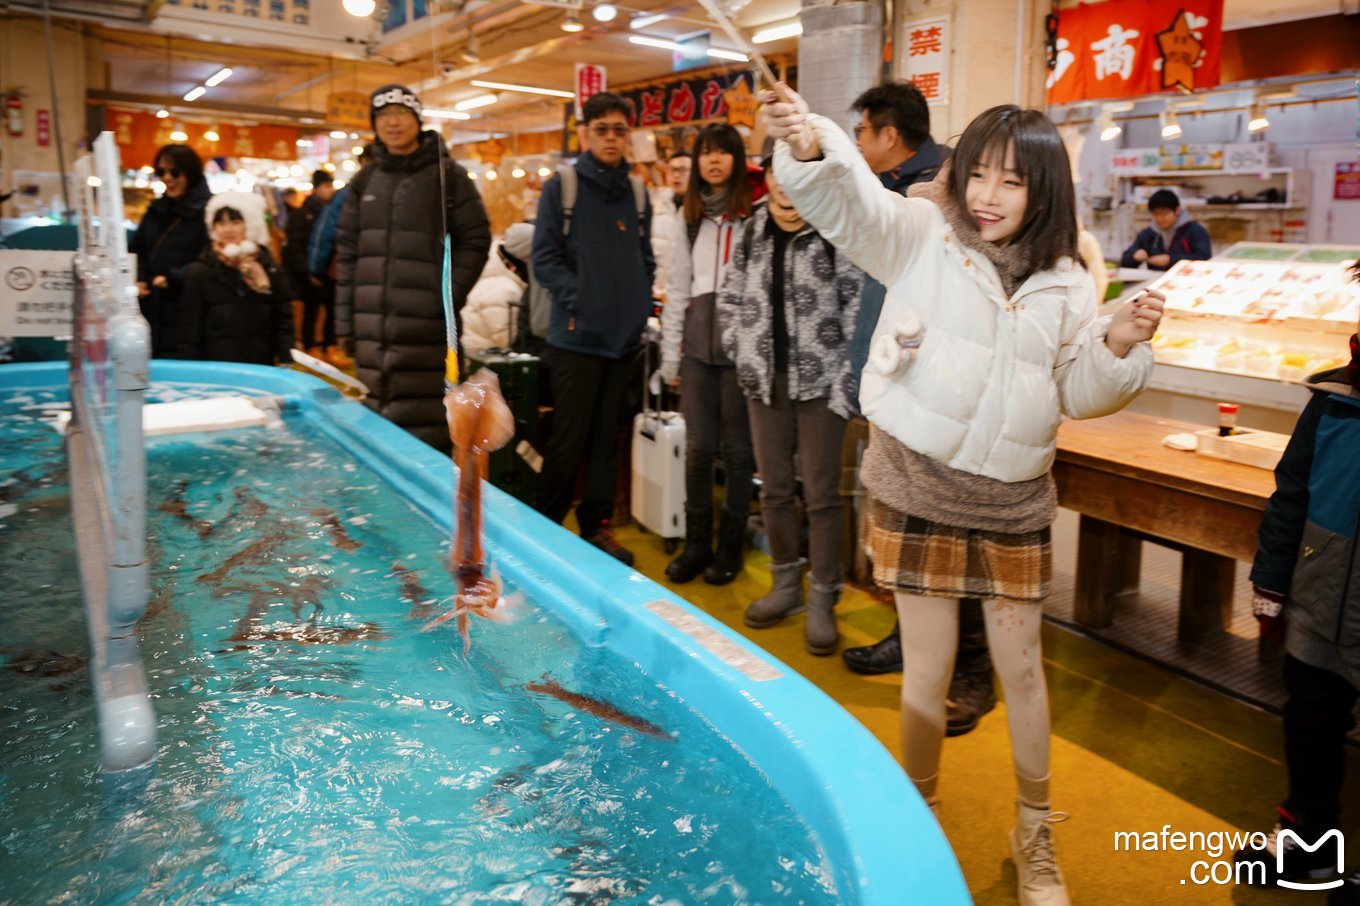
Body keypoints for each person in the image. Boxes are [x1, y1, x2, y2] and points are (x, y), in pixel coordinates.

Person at [763, 86, 1162, 905]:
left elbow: (1079, 392)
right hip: (917, 482)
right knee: (927, 675)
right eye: (977, 173)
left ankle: (1036, 833)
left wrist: (1118, 345)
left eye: (1011, 181)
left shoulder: (1069, 279)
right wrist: (811, 146)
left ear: (1044, 190)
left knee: (1023, 675)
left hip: (1013, 499)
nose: (986, 195)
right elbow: (845, 202)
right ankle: (920, 820)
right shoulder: (919, 236)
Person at [837, 82, 997, 736]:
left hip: (938, 393)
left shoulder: (948, 194)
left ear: (889, 133)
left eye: (863, 132)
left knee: (953, 533)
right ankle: (912, 638)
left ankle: (972, 671)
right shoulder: (896, 192)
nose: (858, 143)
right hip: (890, 385)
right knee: (900, 527)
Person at [1232, 262, 1360, 902]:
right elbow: (1291, 495)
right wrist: (1271, 581)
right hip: (1319, 597)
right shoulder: (1334, 399)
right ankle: (1309, 841)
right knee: (1310, 720)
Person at [719, 161, 864, 654]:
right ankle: (786, 584)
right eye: (778, 174)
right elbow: (731, 293)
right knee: (776, 489)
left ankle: (823, 595)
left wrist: (849, 381)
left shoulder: (834, 225)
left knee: (822, 495)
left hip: (822, 382)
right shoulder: (753, 224)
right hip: (765, 379)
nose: (784, 186)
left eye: (795, 174)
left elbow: (856, 306)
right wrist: (739, 346)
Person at [531, 92, 655, 565]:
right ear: (585, 134)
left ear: (628, 135)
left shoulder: (636, 193)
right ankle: (547, 525)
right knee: (569, 439)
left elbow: (643, 257)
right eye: (601, 129)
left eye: (619, 130)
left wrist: (638, 303)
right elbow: (544, 258)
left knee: (607, 440)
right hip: (576, 341)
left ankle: (596, 527)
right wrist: (582, 301)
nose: (610, 138)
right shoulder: (562, 188)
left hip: (622, 343)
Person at [335, 84, 491, 452]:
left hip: (428, 329)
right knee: (375, 428)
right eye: (384, 115)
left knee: (430, 432)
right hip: (372, 332)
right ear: (374, 124)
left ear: (418, 121)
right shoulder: (364, 180)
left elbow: (476, 240)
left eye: (402, 114)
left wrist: (445, 297)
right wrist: (344, 323)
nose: (393, 123)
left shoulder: (448, 175)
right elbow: (346, 253)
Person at [657, 124, 759, 586]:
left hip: (742, 354)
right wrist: (670, 359)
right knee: (697, 451)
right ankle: (697, 544)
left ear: (738, 160)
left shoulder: (755, 215)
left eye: (723, 152)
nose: (714, 160)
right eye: (707, 153)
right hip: (698, 350)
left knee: (738, 454)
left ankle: (729, 549)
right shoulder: (690, 216)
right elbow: (678, 289)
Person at [177, 194, 291, 365]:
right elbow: (189, 327)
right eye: (221, 223)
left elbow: (283, 319)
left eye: (235, 222)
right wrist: (189, 366)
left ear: (249, 225)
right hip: (216, 365)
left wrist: (286, 358)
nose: (228, 229)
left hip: (259, 361)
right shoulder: (201, 272)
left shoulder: (269, 269)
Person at [130, 143, 212, 358]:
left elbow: (210, 259)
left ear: (190, 172)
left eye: (174, 172)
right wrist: (139, 277)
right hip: (150, 305)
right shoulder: (155, 209)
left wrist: (173, 278)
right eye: (161, 172)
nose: (167, 178)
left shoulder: (209, 210)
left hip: (189, 307)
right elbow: (137, 249)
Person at [285, 169, 342, 364]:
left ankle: (330, 346)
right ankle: (311, 347)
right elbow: (295, 245)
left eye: (331, 186)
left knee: (332, 310)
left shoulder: (334, 212)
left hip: (330, 272)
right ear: (316, 188)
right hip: (309, 274)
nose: (330, 190)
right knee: (312, 310)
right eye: (326, 186)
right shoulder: (302, 214)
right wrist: (307, 270)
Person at [1119, 189, 1212, 271]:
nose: (1160, 218)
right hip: (1154, 283)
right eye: (1156, 214)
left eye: (1164, 213)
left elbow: (1204, 258)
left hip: (1188, 281)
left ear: (1177, 211)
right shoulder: (1148, 234)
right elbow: (1125, 262)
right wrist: (1134, 257)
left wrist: (1171, 260)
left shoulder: (1195, 231)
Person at [650, 149, 692, 302]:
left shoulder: (702, 211)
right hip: (656, 294)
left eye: (682, 170)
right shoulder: (655, 205)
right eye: (672, 170)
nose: (676, 175)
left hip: (686, 298)